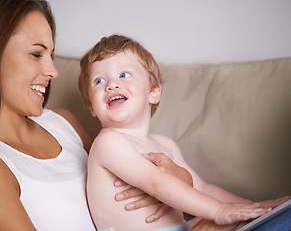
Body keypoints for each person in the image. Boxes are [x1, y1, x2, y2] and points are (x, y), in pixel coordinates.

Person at [0, 0, 192, 230]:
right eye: (36, 54)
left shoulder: (64, 123)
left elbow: (125, 189)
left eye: (51, 56)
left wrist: (182, 179)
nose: (53, 72)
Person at [78, 34, 290, 231]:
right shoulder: (108, 143)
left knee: (269, 214)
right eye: (99, 80)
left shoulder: (166, 144)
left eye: (124, 75)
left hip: (183, 228)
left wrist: (255, 208)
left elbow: (204, 189)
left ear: (153, 92)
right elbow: (156, 183)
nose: (112, 84)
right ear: (91, 106)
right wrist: (218, 211)